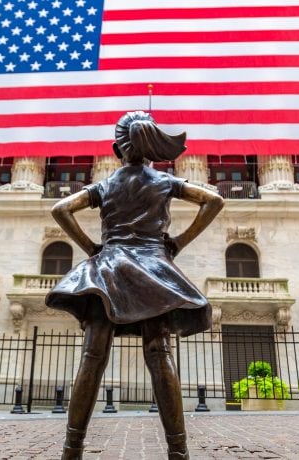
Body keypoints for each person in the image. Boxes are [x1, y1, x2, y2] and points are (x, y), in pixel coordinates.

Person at [45, 111, 224, 459]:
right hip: (153, 270)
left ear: (117, 149)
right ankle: (178, 452)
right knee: (159, 355)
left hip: (108, 269)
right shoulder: (164, 182)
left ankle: (72, 449)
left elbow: (61, 209)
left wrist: (93, 249)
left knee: (92, 357)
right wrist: (179, 242)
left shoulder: (105, 185)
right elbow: (214, 200)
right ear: (150, 148)